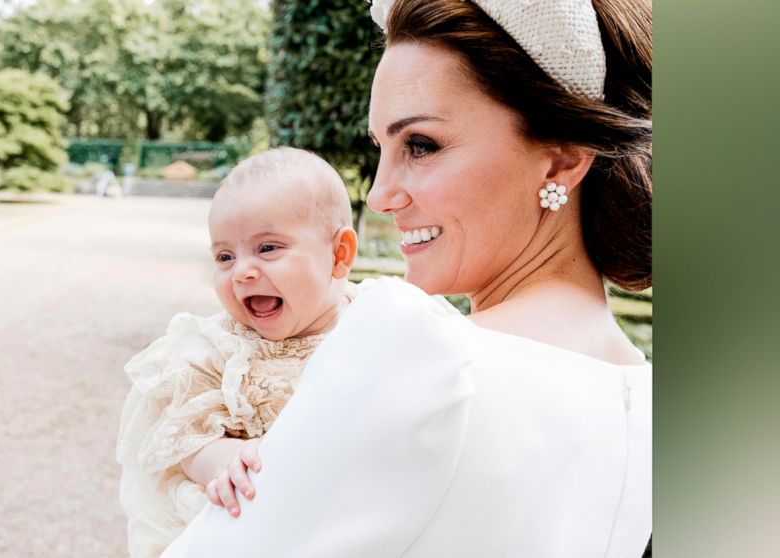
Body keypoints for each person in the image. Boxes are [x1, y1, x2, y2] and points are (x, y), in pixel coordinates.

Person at [159, 0, 652, 557]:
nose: (380, 194)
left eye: (420, 145)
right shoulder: (647, 400)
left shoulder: (418, 351)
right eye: (382, 149)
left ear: (562, 160)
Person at [115, 147, 360, 558]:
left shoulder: (372, 323)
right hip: (244, 523)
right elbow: (179, 433)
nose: (242, 271)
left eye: (268, 249)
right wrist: (220, 459)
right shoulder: (218, 348)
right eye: (225, 256)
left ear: (339, 255)